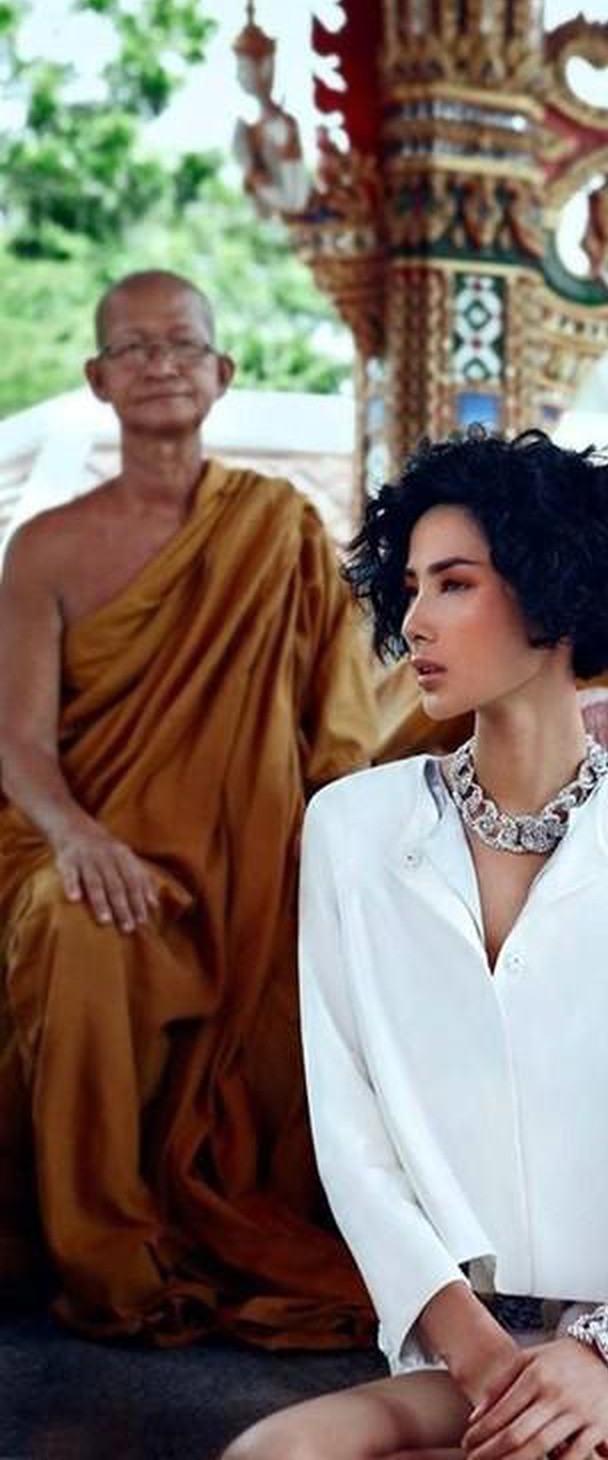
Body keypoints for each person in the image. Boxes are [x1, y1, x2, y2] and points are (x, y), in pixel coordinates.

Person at [224, 428, 608, 1459]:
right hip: (466, 1336)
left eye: (455, 584)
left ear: (552, 594)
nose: (414, 619)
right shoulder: (352, 832)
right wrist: (483, 1357)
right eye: (410, 587)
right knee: (274, 1454)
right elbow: (356, 1145)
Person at [0, 270, 378, 1347]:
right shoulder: (45, 546)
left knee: (322, 937)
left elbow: (339, 724)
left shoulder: (278, 528)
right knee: (79, 932)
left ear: (222, 372)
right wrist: (79, 839)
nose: (159, 363)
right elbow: (18, 744)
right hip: (77, 839)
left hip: (240, 854)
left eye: (181, 344)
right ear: (97, 378)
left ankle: (219, 1211)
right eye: (134, 347)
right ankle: (107, 1252)